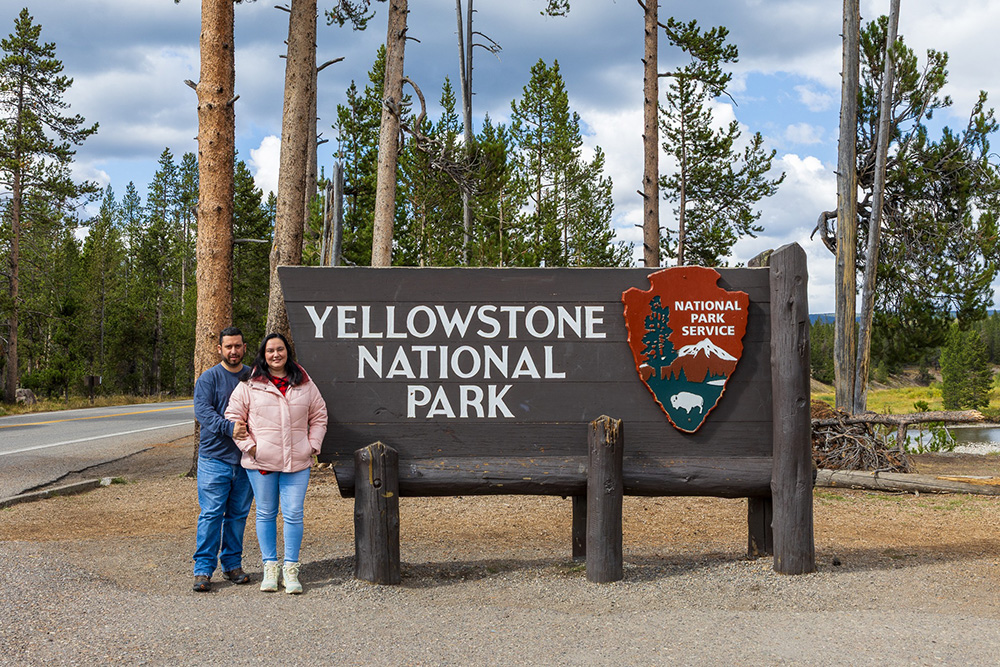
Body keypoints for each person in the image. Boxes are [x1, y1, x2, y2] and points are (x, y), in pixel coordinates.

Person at [226, 332, 328, 594]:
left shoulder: (304, 383)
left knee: (293, 514)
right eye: (270, 350)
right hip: (262, 462)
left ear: (287, 352)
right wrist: (250, 447)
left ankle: (291, 569)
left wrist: (312, 445)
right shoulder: (249, 384)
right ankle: (270, 567)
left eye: (280, 349)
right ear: (263, 354)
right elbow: (234, 418)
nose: (275, 355)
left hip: (297, 461)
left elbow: (319, 415)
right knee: (266, 513)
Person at [191, 326, 254, 592]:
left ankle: (232, 565)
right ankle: (203, 570)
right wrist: (229, 428)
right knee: (212, 514)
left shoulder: (253, 376)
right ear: (220, 349)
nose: (233, 351)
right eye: (228, 346)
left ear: (244, 348)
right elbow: (202, 412)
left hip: (246, 460)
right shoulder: (209, 378)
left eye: (237, 346)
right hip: (214, 459)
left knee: (238, 515)